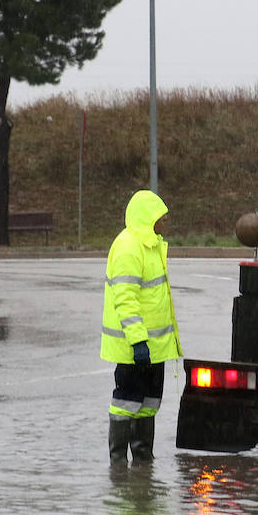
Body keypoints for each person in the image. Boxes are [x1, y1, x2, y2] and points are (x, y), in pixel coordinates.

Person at [100, 189, 182, 463]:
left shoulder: (151, 246)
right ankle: (119, 464)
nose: (164, 223)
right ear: (148, 218)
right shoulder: (128, 247)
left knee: (148, 405)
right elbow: (126, 300)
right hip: (134, 348)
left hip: (152, 348)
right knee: (126, 403)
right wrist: (138, 342)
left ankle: (143, 460)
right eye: (161, 217)